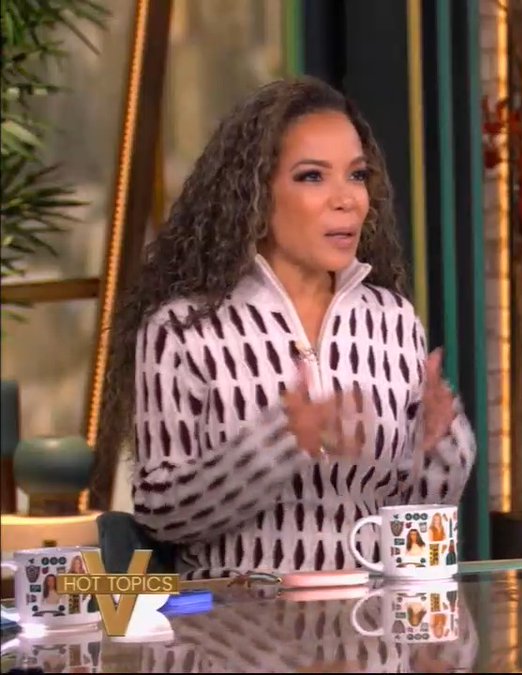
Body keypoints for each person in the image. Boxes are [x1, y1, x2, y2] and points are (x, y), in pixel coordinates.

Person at [93, 77, 477, 580]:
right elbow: (161, 515)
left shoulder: (393, 321)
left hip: (366, 622)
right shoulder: (184, 330)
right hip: (233, 623)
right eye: (313, 176)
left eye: (357, 175)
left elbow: (411, 525)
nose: (347, 200)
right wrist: (279, 444)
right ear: (254, 194)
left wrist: (440, 448)